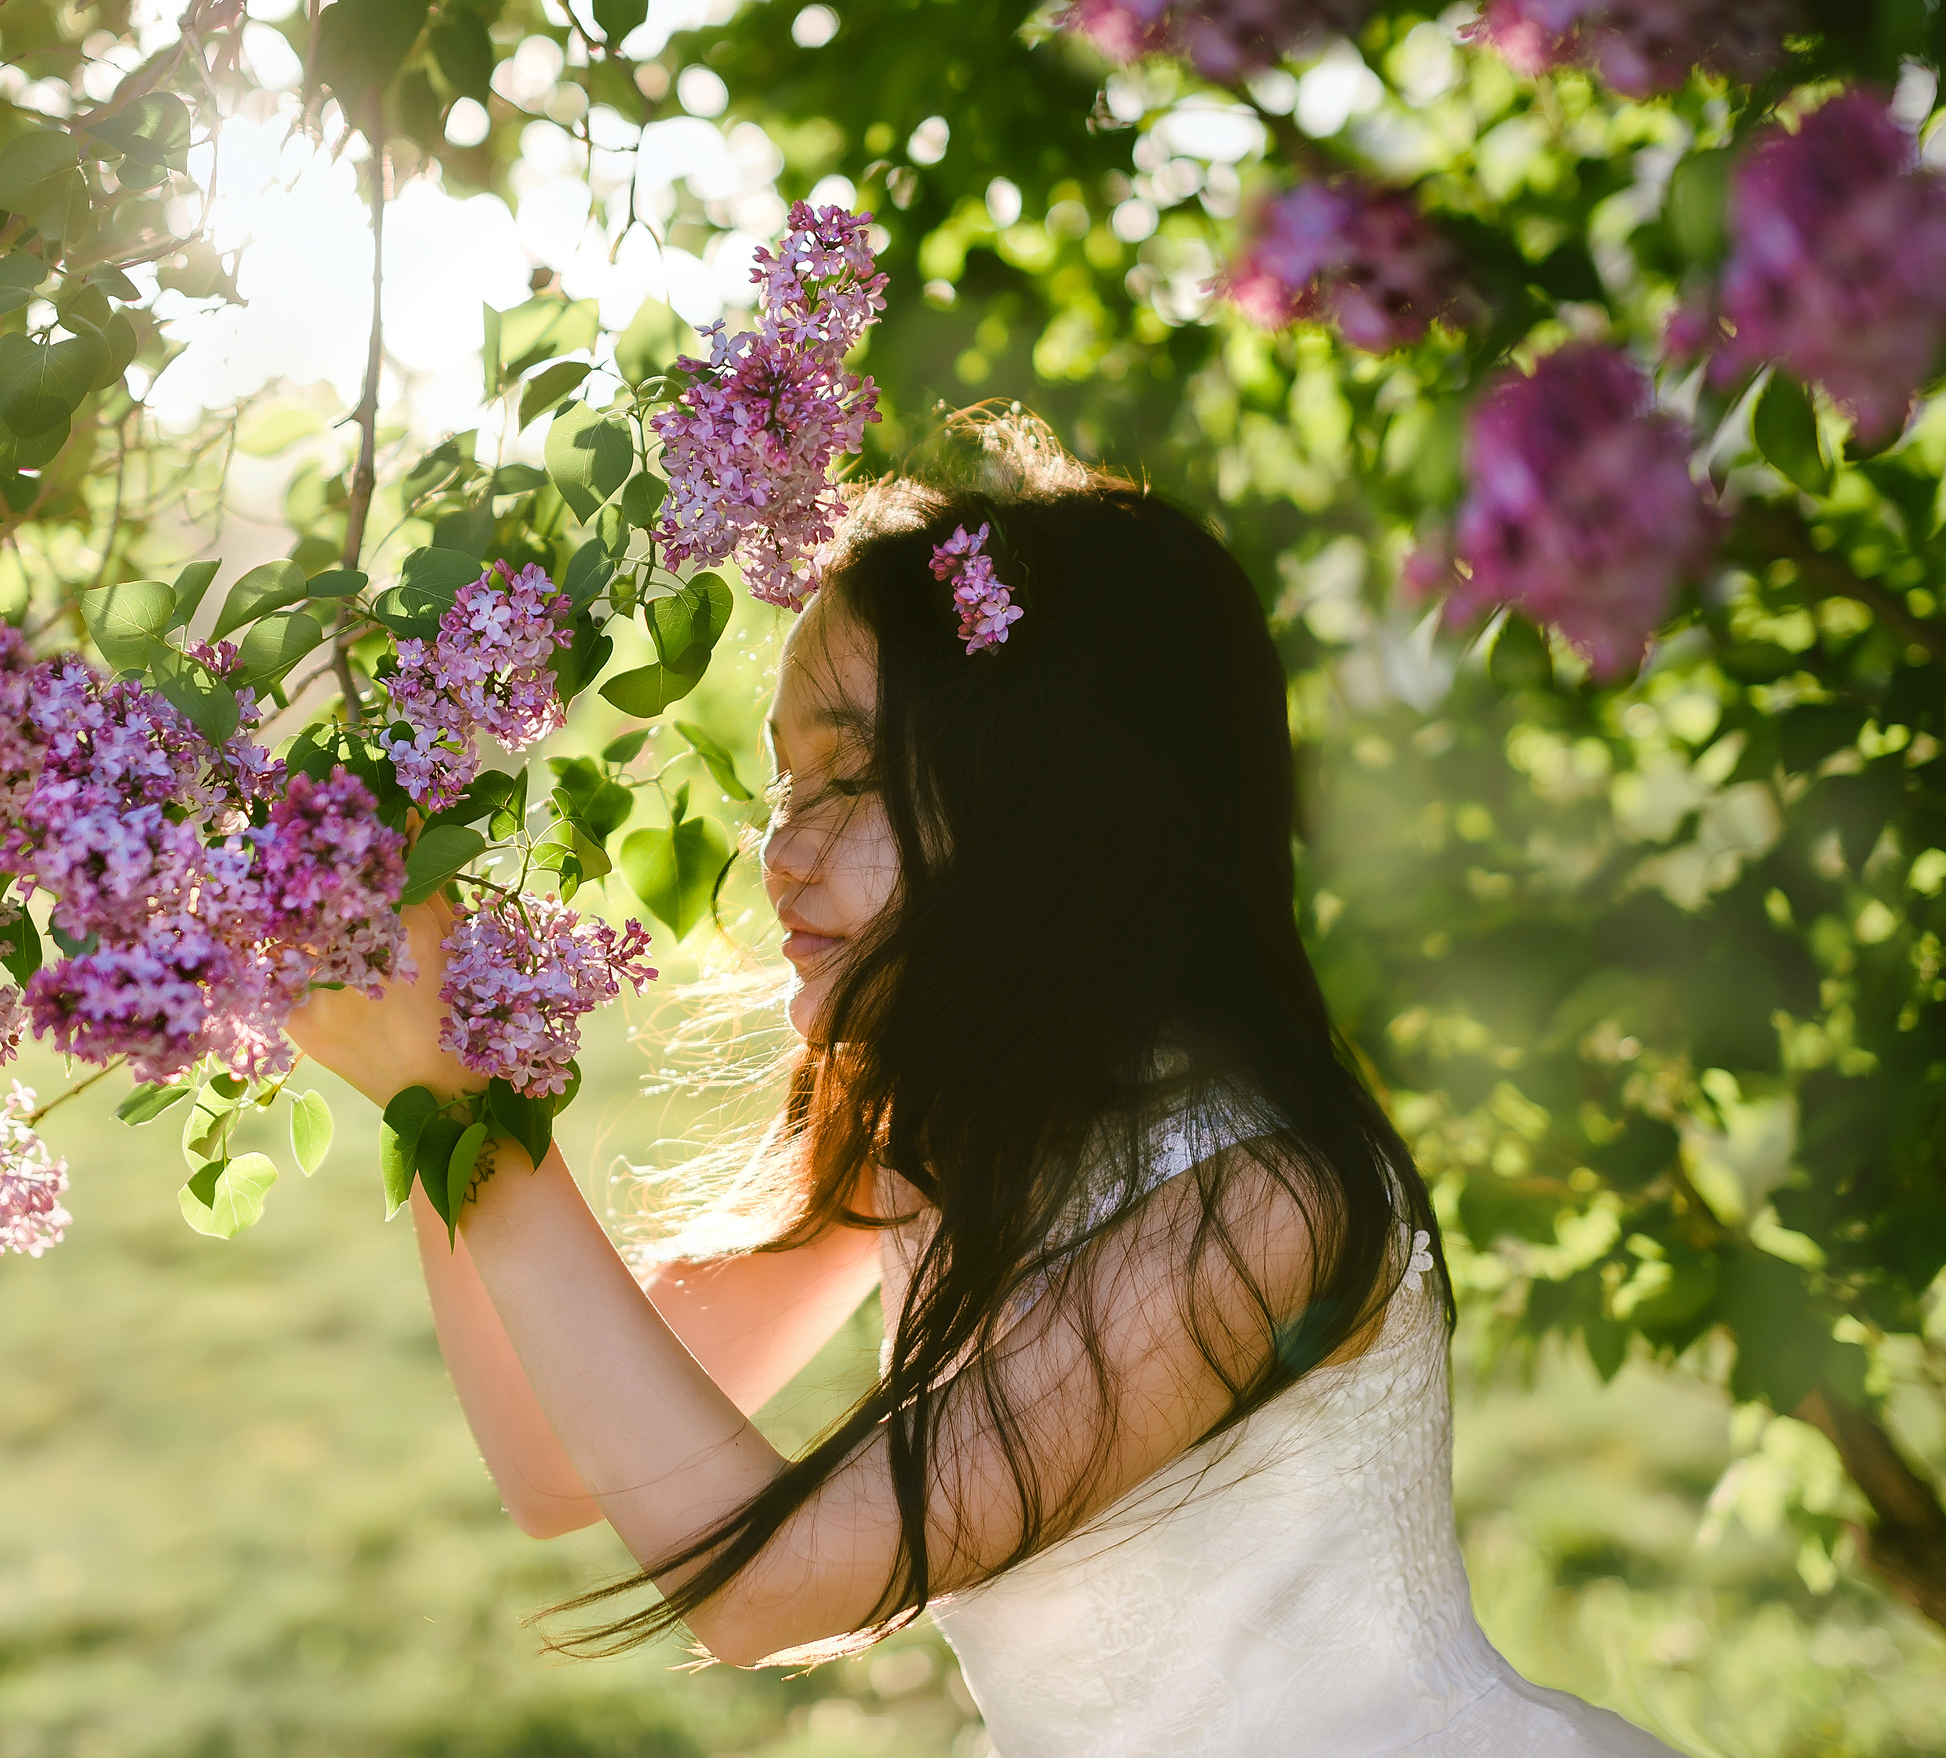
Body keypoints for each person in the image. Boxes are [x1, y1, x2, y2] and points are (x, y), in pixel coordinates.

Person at [285, 417, 1682, 1756]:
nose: (783, 853)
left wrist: (462, 1105)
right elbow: (554, 1460)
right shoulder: (929, 1128)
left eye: (853, 777)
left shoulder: (1268, 1208)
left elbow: (773, 1584)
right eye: (784, 786)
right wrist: (452, 1072)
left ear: (1061, 809)